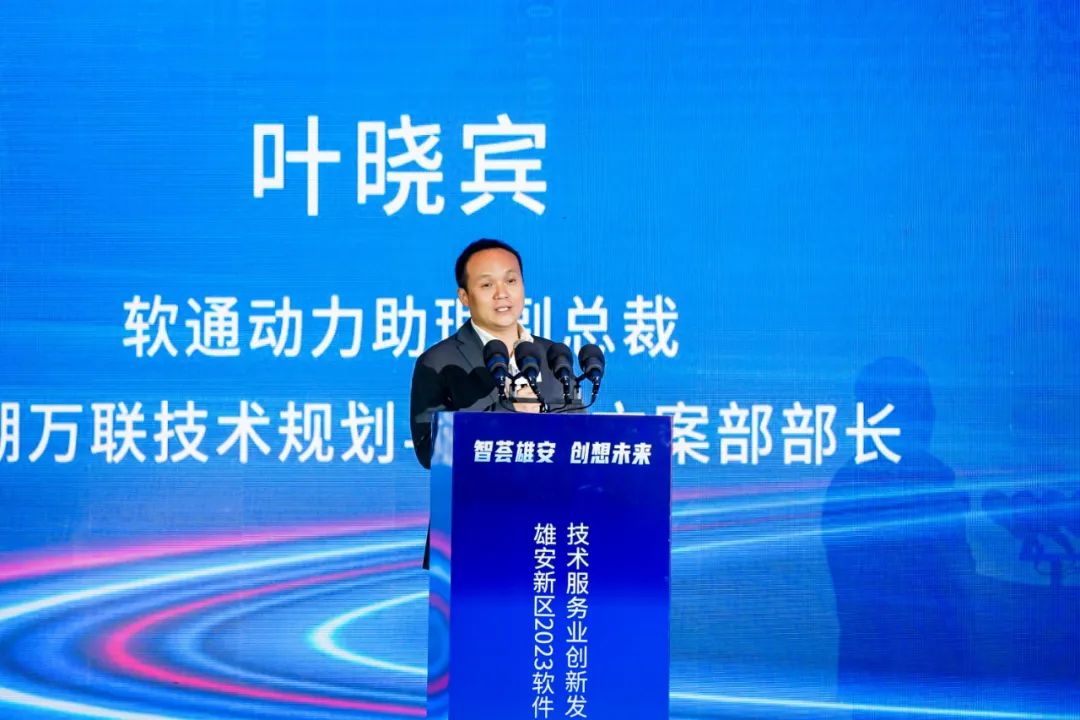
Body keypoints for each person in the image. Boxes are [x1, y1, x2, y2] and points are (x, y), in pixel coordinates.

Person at [410, 238, 574, 567]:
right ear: (464, 296)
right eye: (487, 285)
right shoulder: (439, 362)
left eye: (511, 280)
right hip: (473, 528)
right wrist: (508, 414)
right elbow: (429, 451)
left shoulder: (554, 356)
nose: (502, 293)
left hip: (549, 527)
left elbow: (579, 436)